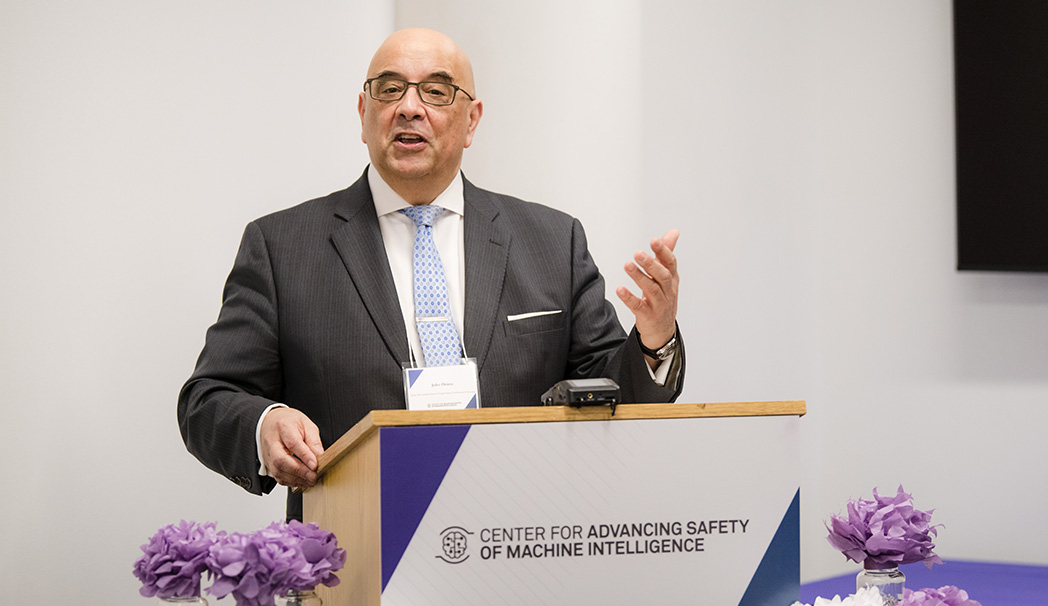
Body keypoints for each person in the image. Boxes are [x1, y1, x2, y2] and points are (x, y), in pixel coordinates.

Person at [178, 28, 684, 521]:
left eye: (436, 91)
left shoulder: (552, 240)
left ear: (471, 120)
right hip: (354, 556)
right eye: (389, 88)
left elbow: (611, 394)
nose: (409, 107)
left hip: (521, 547)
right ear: (363, 113)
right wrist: (264, 426)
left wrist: (653, 342)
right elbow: (208, 400)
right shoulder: (283, 247)